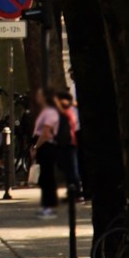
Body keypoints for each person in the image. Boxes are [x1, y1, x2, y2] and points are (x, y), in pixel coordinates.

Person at [30, 89, 63, 217]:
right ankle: (47, 204)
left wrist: (36, 146)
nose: (37, 97)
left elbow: (45, 132)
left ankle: (48, 206)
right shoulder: (47, 111)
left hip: (47, 146)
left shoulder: (50, 113)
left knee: (46, 176)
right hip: (45, 146)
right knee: (45, 176)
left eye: (39, 94)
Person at [53, 88, 82, 203]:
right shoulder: (66, 111)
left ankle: (76, 192)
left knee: (72, 169)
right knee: (67, 168)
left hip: (69, 143)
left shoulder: (69, 111)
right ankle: (72, 191)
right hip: (64, 143)